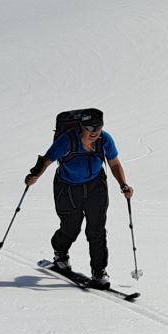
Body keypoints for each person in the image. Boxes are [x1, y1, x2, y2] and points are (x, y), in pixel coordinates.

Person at [26, 109, 132, 286]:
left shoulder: (105, 139)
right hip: (67, 188)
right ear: (82, 127)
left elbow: (114, 163)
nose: (94, 132)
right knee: (71, 227)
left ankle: (99, 271)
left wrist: (123, 185)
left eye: (98, 127)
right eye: (90, 128)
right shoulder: (67, 140)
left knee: (96, 230)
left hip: (96, 186)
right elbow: (47, 160)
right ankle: (60, 252)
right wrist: (35, 176)